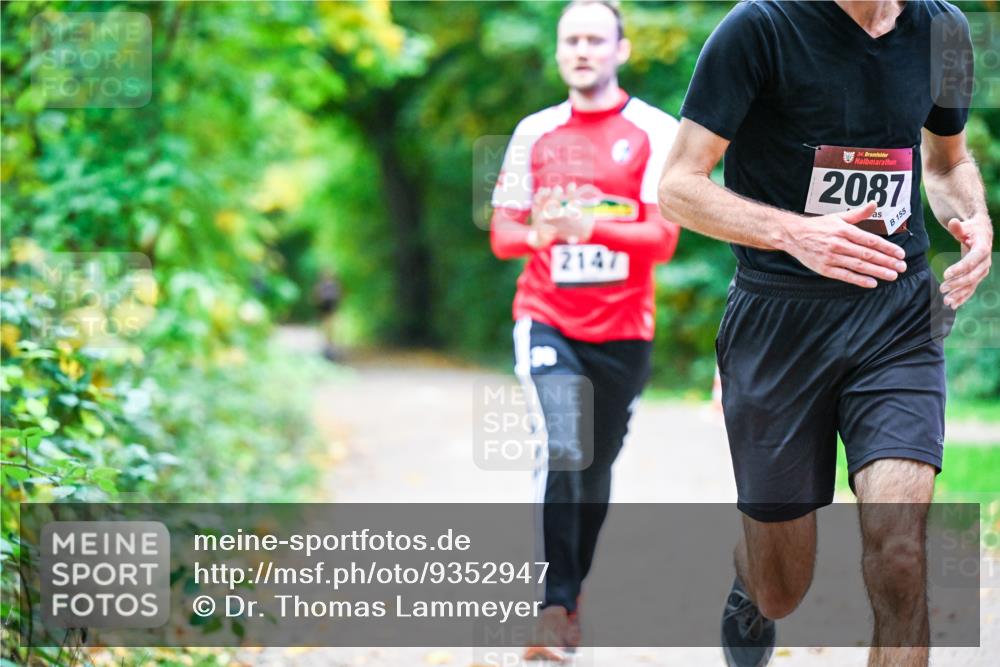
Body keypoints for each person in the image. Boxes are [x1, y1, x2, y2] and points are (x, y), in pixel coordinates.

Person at [658, 1, 992, 666]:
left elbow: (946, 161)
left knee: (900, 551)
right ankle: (752, 579)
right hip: (779, 321)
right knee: (781, 587)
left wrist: (975, 218)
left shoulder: (945, 30)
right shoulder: (759, 28)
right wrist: (794, 233)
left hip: (896, 316)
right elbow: (676, 187)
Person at [490, 0, 680, 660]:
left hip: (624, 329)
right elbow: (504, 234)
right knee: (563, 443)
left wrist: (588, 226)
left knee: (595, 466)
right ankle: (553, 607)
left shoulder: (654, 131)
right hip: (547, 318)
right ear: (557, 50)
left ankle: (571, 597)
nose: (582, 50)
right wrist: (541, 234)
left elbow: (662, 238)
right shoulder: (533, 133)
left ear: (620, 50)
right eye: (571, 39)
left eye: (596, 39)